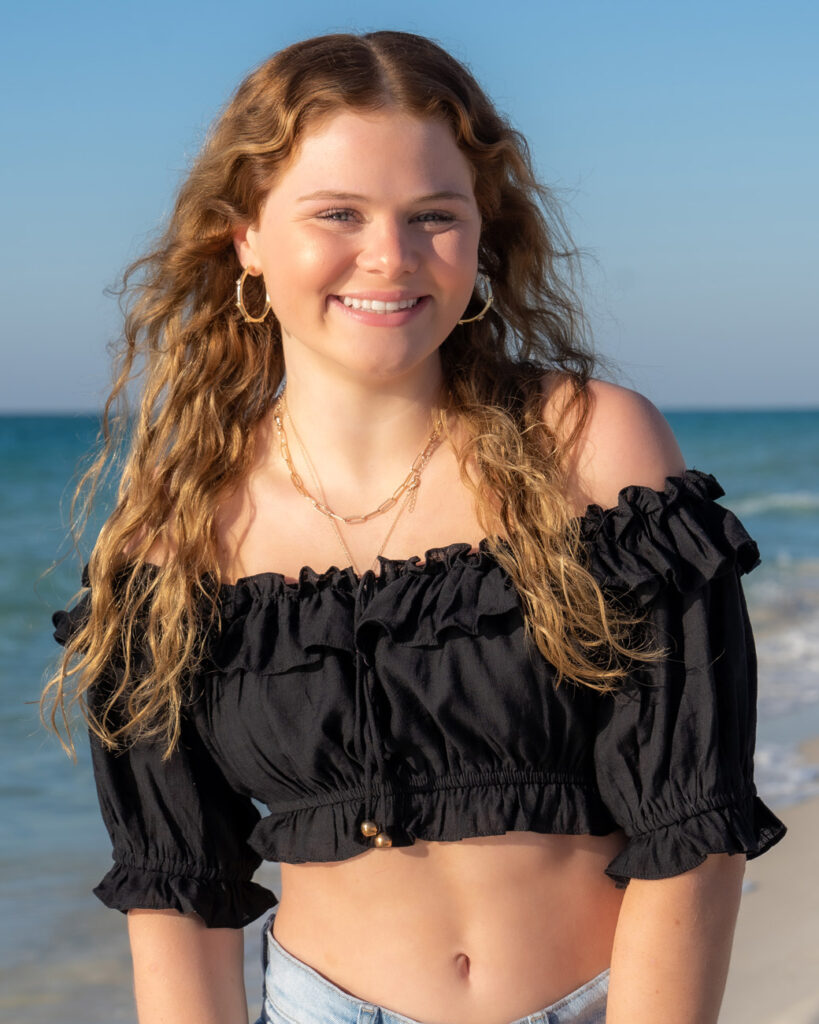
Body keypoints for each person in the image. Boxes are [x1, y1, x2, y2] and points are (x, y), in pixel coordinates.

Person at [46, 30, 785, 1024]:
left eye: (434, 215)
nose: (389, 258)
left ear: (482, 236)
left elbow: (691, 819)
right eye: (338, 213)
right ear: (248, 239)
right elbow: (178, 889)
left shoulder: (596, 450)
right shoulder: (174, 534)